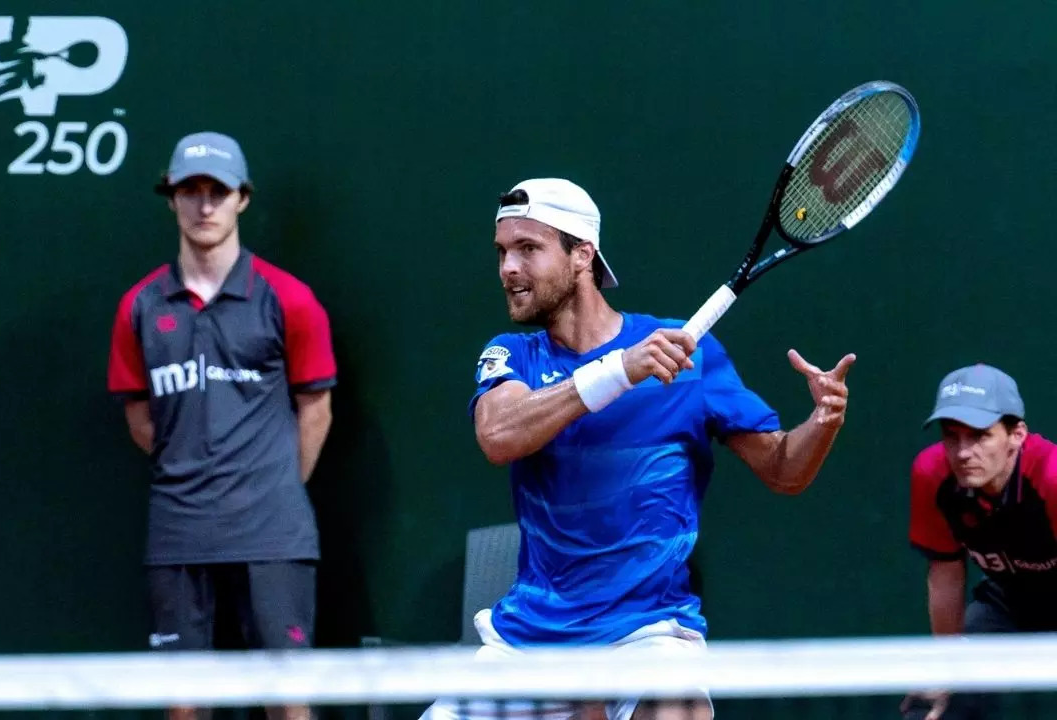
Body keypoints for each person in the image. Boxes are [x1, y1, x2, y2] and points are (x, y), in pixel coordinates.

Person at [421, 178, 855, 720]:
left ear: (583, 255)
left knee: (679, 707)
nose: (508, 268)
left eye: (528, 249)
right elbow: (499, 434)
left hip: (649, 632)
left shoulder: (688, 354)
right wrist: (618, 371)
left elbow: (784, 470)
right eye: (503, 252)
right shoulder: (512, 354)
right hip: (531, 640)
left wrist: (824, 420)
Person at [107, 131, 336, 720]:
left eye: (217, 191)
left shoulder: (288, 299)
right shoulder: (140, 306)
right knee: (184, 708)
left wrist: (274, 487)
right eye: (191, 191)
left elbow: (316, 408)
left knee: (287, 702)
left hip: (273, 533)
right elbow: (139, 415)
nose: (204, 205)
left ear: (242, 199)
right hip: (178, 532)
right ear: (171, 199)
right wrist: (194, 473)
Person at [902, 365, 1057, 720]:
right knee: (932, 705)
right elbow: (945, 573)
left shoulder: (1052, 478)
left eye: (980, 436)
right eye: (952, 436)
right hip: (1009, 602)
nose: (962, 452)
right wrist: (947, 664)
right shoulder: (933, 474)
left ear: (1016, 434)